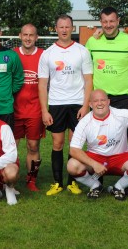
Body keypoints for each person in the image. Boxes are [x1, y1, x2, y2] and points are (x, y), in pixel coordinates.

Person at [86, 6, 128, 196]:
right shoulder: (92, 42)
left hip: (123, 97)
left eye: (112, 21)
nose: (108, 25)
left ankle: (123, 183)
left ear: (118, 21)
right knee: (94, 136)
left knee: (123, 138)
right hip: (99, 98)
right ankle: (97, 179)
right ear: (100, 23)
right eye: (105, 22)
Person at [67, 89, 128, 200]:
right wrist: (94, 164)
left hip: (119, 157)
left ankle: (118, 187)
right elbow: (74, 150)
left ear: (108, 102)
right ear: (90, 104)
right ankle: (95, 186)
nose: (99, 103)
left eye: (103, 100)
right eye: (96, 101)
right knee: (72, 165)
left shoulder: (120, 115)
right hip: (96, 157)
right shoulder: (84, 122)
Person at [38, 14, 93, 196]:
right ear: (56, 29)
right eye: (61, 27)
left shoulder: (82, 51)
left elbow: (88, 80)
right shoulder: (48, 54)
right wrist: (45, 110)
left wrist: (86, 106)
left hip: (77, 104)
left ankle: (72, 182)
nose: (64, 30)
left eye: (67, 27)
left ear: (72, 28)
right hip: (56, 104)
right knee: (57, 143)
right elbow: (42, 84)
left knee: (74, 144)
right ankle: (57, 183)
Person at [13, 24, 45, 191]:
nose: (27, 38)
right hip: (14, 109)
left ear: (36, 37)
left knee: (33, 146)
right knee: (12, 146)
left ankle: (31, 179)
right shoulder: (12, 54)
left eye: (31, 35)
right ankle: (9, 178)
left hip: (35, 110)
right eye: (25, 35)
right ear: (20, 35)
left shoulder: (43, 55)